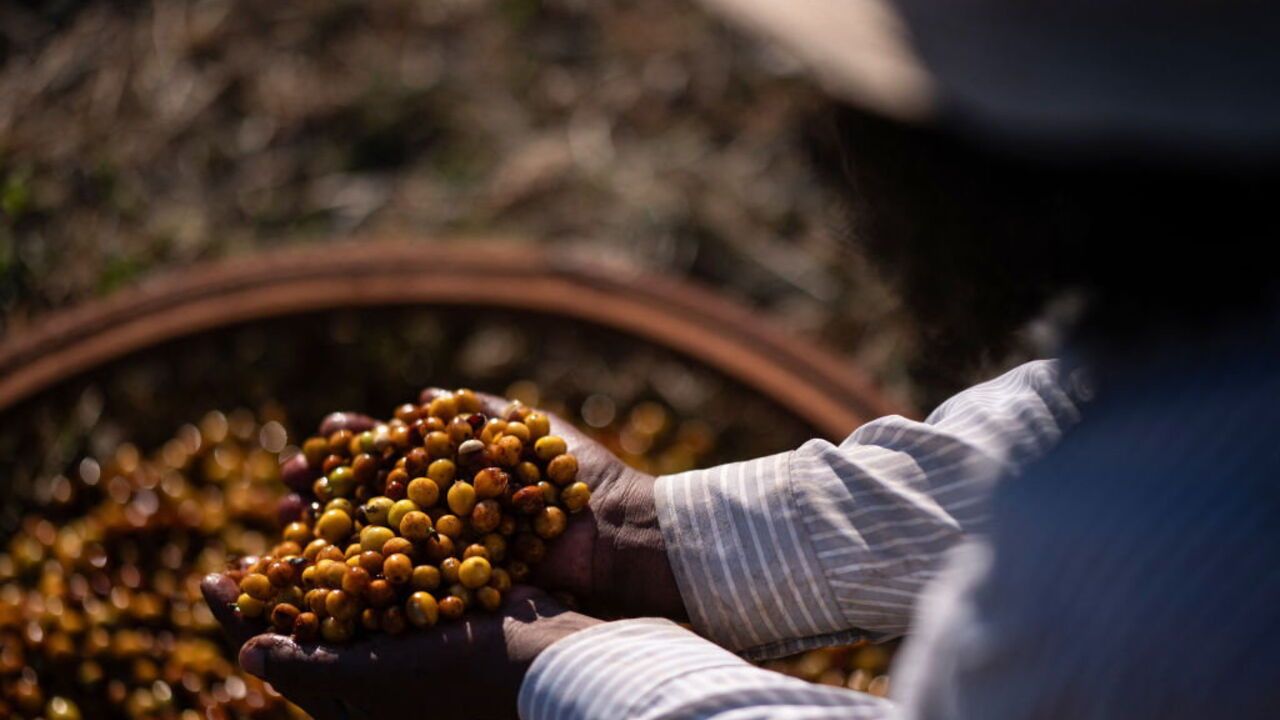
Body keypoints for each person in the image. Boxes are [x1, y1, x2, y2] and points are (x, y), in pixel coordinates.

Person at [204, 0, 1280, 717]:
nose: (824, 129)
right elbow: (1099, 418)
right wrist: (653, 539)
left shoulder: (1121, 602)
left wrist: (556, 670)